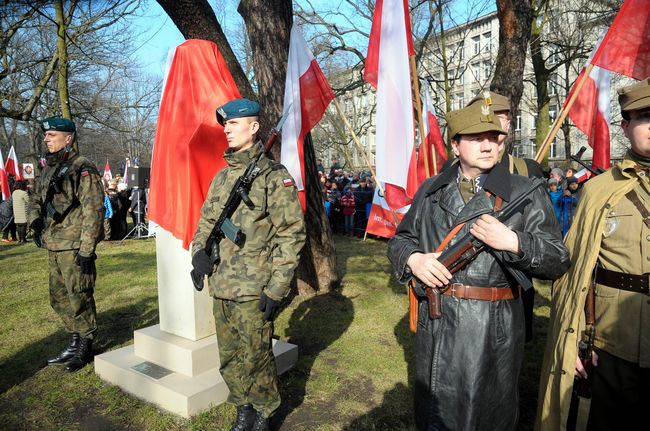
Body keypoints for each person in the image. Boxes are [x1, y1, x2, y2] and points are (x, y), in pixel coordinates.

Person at [387, 101, 569, 431]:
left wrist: (514, 242)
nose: (487, 145)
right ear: (455, 145)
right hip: (439, 320)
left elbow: (557, 259)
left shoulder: (524, 192)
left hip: (494, 328)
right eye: (474, 137)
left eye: (493, 137)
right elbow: (400, 241)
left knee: (487, 415)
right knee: (437, 414)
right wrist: (415, 260)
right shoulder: (431, 189)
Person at [535, 77, 650, 431]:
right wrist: (575, 343)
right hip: (614, 348)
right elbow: (574, 276)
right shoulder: (599, 191)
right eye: (645, 117)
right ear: (626, 126)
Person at [190, 98, 305, 431]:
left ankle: (264, 412)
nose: (226, 129)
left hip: (255, 286)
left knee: (256, 354)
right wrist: (199, 253)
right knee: (229, 355)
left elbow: (292, 235)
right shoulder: (222, 178)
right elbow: (206, 223)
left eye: (234, 123)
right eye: (225, 124)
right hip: (222, 283)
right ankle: (243, 406)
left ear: (254, 128)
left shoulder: (274, 176)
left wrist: (277, 286)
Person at [27, 116, 104, 373]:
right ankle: (74, 339)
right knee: (58, 298)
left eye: (52, 135)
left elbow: (93, 209)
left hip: (74, 245)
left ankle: (85, 345)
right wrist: (35, 221)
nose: (46, 139)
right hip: (54, 244)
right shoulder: (48, 168)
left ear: (68, 137)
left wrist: (87, 249)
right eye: (46, 135)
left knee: (79, 296)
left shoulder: (82, 167)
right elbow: (35, 197)